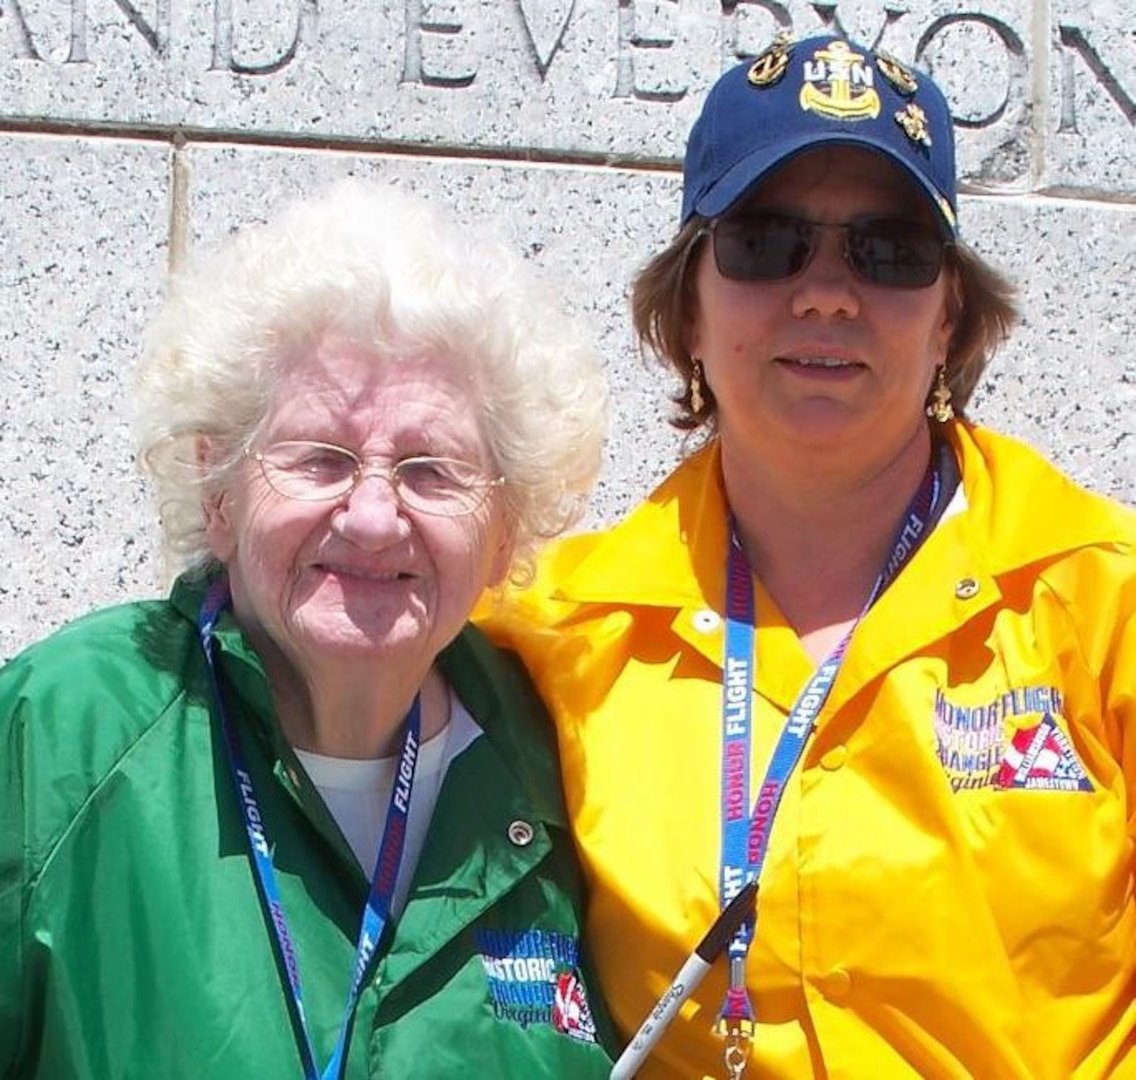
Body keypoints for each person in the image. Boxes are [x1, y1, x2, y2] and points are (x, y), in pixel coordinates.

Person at [477, 31, 1136, 1079]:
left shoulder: (1102, 604)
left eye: (886, 252)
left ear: (946, 315)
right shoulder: (549, 636)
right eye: (765, 242)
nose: (826, 293)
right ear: (685, 304)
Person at [0, 180, 617, 1078]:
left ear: (503, 533)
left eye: (430, 471)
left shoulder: (562, 764)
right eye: (320, 458)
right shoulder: (60, 737)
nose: (372, 517)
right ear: (220, 494)